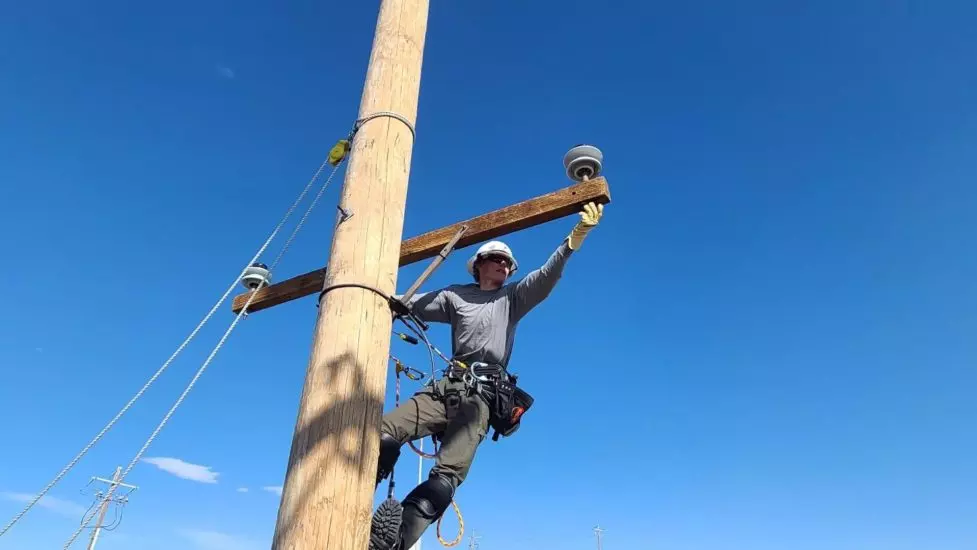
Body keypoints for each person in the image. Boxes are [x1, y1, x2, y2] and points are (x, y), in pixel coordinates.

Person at [369, 201, 605, 550]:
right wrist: (367, 292)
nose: (505, 265)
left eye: (508, 262)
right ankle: (358, 486)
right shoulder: (454, 296)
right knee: (384, 433)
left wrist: (573, 240)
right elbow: (403, 303)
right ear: (479, 265)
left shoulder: (513, 298)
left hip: (480, 395)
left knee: (447, 475)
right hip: (445, 387)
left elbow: (546, 275)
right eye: (498, 258)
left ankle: (393, 542)